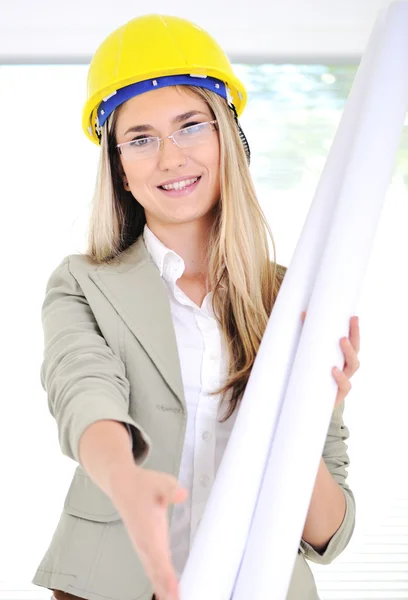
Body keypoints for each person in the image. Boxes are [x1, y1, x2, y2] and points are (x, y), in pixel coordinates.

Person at [32, 14, 360, 600]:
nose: (169, 157)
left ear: (226, 138)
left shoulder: (295, 300)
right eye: (140, 138)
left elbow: (326, 534)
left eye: (189, 126)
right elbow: (83, 393)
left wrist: (303, 412)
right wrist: (124, 479)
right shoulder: (83, 284)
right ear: (120, 169)